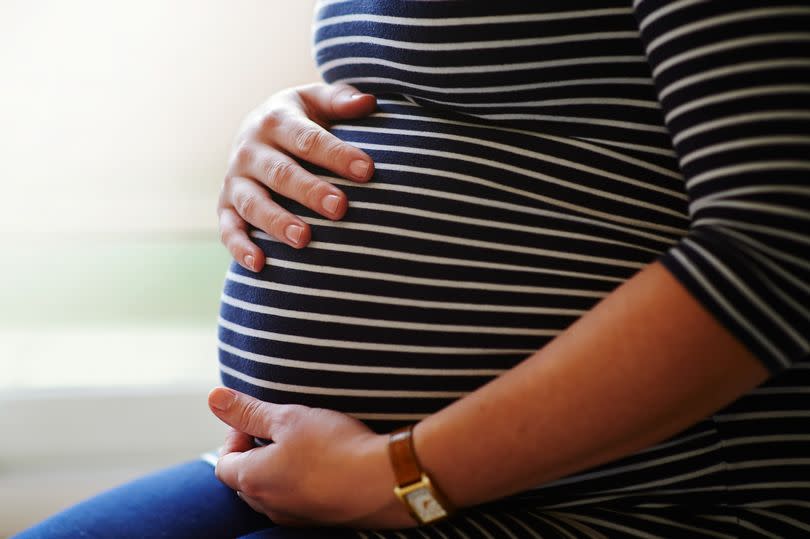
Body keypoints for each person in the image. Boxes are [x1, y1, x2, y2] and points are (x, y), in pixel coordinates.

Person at [14, 0, 810, 537]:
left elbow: (777, 243)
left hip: (633, 498)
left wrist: (400, 475)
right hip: (354, 474)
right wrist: (284, 130)